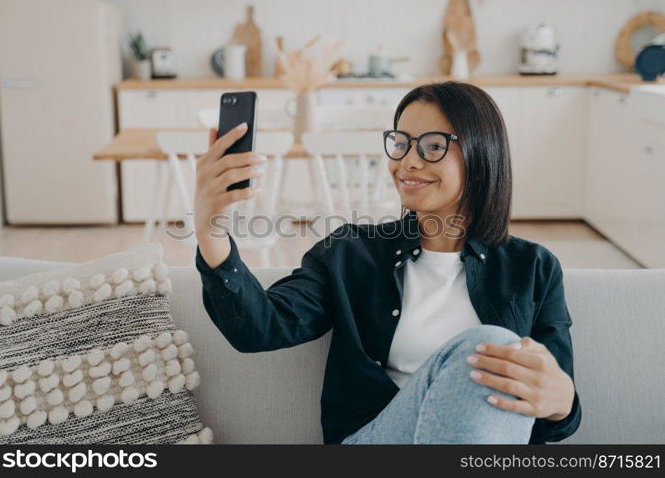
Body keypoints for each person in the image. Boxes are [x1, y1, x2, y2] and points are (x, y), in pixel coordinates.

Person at [193, 81, 581, 444]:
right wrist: (210, 226)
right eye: (401, 143)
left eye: (432, 147)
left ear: (482, 154)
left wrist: (561, 400)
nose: (407, 162)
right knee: (492, 346)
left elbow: (552, 420)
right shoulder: (350, 253)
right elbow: (261, 328)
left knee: (497, 353)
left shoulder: (534, 267)